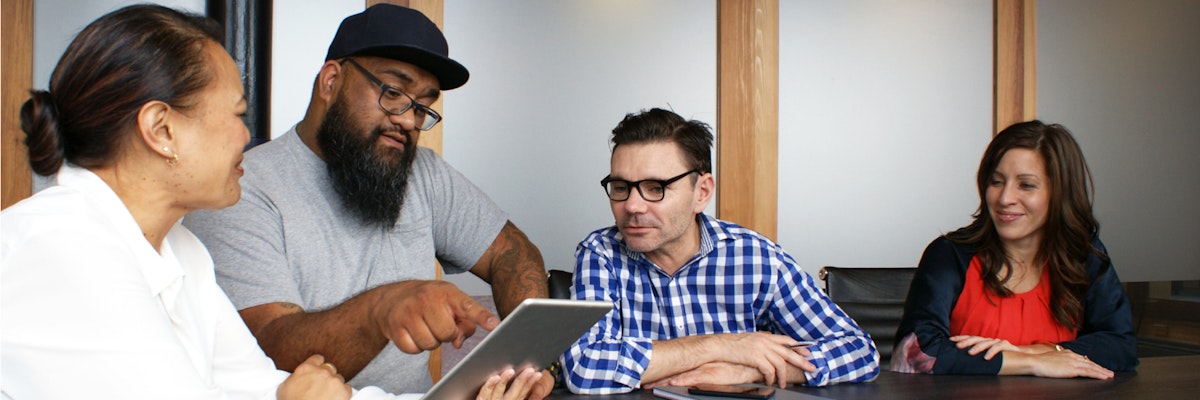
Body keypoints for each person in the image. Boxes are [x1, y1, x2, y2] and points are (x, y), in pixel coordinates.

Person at [0, 5, 544, 400]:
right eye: (237, 114)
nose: (246, 136)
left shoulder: (181, 253)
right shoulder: (61, 249)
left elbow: (260, 384)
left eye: (421, 105)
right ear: (161, 129)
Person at [182, 4, 551, 396]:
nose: (409, 120)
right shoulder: (241, 189)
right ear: (331, 81)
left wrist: (525, 363)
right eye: (393, 93)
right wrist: (382, 309)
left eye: (423, 105)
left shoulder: (422, 172)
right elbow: (266, 351)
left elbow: (513, 253)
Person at [560, 108, 879, 394]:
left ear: (702, 192)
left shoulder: (756, 257)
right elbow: (585, 367)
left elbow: (858, 350)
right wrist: (723, 345)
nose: (631, 205)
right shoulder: (601, 254)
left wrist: (748, 369)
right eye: (620, 187)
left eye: (656, 188)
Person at [892, 120, 1138, 379]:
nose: (1004, 198)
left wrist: (1034, 351)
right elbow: (914, 354)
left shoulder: (1082, 254)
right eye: (997, 182)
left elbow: (1121, 347)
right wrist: (1031, 363)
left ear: (1060, 193)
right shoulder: (949, 254)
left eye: (1026, 185)